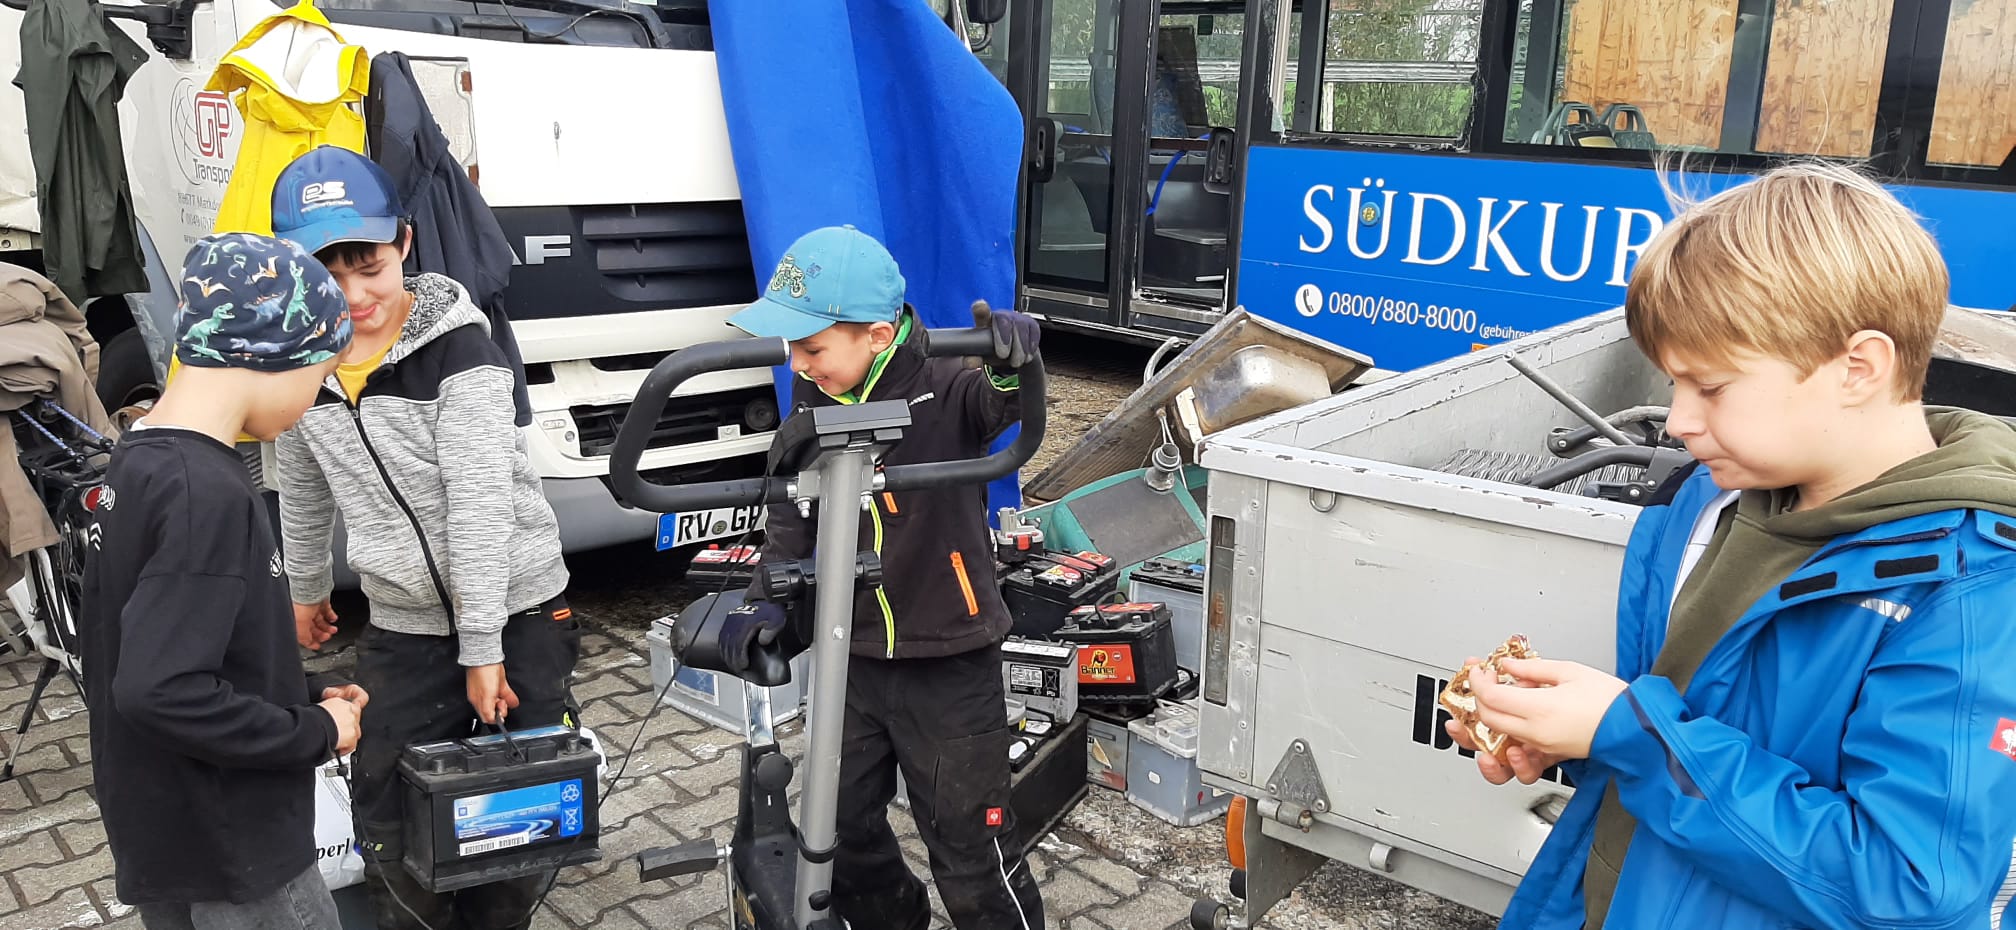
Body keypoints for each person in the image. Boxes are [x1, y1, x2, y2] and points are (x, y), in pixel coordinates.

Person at [1453, 162, 2016, 929]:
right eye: (1673, 385)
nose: (1679, 421)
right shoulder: (1713, 502)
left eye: (1711, 388)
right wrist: (1577, 737)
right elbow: (1699, 728)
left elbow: (1911, 888)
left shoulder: (1970, 592)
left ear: (1858, 369)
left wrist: (1630, 733)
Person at [266, 144, 581, 930]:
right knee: (385, 793)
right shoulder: (301, 364)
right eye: (326, 275)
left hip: (517, 612)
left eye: (368, 265)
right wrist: (306, 588)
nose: (353, 295)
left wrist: (483, 650)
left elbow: (478, 507)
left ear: (403, 242)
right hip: (403, 622)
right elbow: (300, 483)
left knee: (519, 799)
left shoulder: (462, 350)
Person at [721, 225, 1045, 930]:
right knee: (836, 829)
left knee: (970, 849)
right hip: (854, 654)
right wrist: (766, 599)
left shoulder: (945, 384)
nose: (798, 364)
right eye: (792, 349)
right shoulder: (813, 398)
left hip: (949, 659)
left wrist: (1012, 366)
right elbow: (791, 513)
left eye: (811, 348)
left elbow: (997, 405)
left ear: (875, 335)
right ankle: (896, 919)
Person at [80, 231, 366, 930]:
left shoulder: (140, 458)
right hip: (237, 853)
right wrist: (314, 732)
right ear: (273, 357)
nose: (311, 402)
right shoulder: (206, 494)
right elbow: (159, 689)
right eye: (318, 378)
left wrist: (298, 693)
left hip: (167, 827)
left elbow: (169, 639)